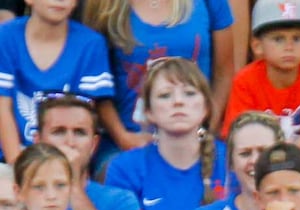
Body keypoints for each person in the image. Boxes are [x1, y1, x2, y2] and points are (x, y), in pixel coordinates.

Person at [104, 57, 227, 210]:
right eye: (165, 95)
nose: (178, 102)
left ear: (206, 107)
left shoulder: (229, 161)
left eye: (189, 94)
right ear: (148, 111)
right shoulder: (125, 168)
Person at [85, 0, 235, 166]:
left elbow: (224, 73)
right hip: (126, 143)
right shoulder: (104, 4)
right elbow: (96, 82)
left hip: (197, 139)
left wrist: (206, 130)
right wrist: (123, 137)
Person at [222, 0, 300, 165]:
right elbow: (234, 135)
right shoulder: (245, 80)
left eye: (297, 38)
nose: (289, 47)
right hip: (261, 160)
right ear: (257, 46)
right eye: (278, 39)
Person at [0, 0, 116, 165]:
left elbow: (83, 119)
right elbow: (2, 107)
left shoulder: (90, 44)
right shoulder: (5, 36)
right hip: (10, 159)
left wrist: (65, 168)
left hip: (68, 159)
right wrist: (18, 165)